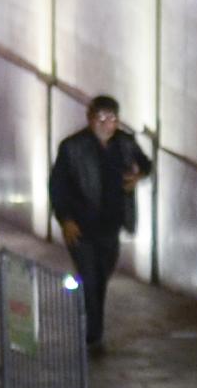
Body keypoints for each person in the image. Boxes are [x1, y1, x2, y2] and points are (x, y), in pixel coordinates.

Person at [46, 93, 152, 352]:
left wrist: (137, 177)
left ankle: (92, 322)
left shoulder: (125, 143)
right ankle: (93, 336)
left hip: (111, 225)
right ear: (90, 118)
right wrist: (65, 220)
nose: (107, 124)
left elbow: (146, 164)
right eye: (101, 118)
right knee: (90, 278)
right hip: (81, 227)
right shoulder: (72, 147)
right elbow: (57, 186)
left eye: (112, 119)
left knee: (101, 277)